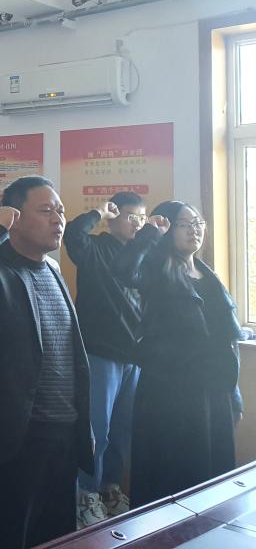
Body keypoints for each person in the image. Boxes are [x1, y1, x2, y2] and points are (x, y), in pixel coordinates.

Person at [0, 176, 92, 549]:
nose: (58, 219)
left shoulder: (53, 271)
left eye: (60, 211)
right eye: (45, 211)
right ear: (14, 218)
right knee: (9, 536)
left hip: (63, 432)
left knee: (57, 535)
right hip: (16, 437)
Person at [112, 201, 243, 506]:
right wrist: (149, 233)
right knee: (174, 473)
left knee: (212, 474)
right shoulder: (156, 270)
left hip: (212, 391)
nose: (194, 231)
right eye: (184, 225)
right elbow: (122, 270)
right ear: (168, 229)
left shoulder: (209, 275)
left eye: (198, 224)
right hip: (169, 392)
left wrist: (234, 394)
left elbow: (227, 339)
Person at [64, 192, 146, 524]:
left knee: (123, 430)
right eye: (130, 216)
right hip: (99, 353)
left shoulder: (142, 254)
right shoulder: (95, 248)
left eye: (141, 217)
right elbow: (72, 233)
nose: (137, 224)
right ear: (114, 218)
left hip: (134, 356)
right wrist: (98, 212)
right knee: (97, 429)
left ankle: (110, 488)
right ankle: (85, 494)